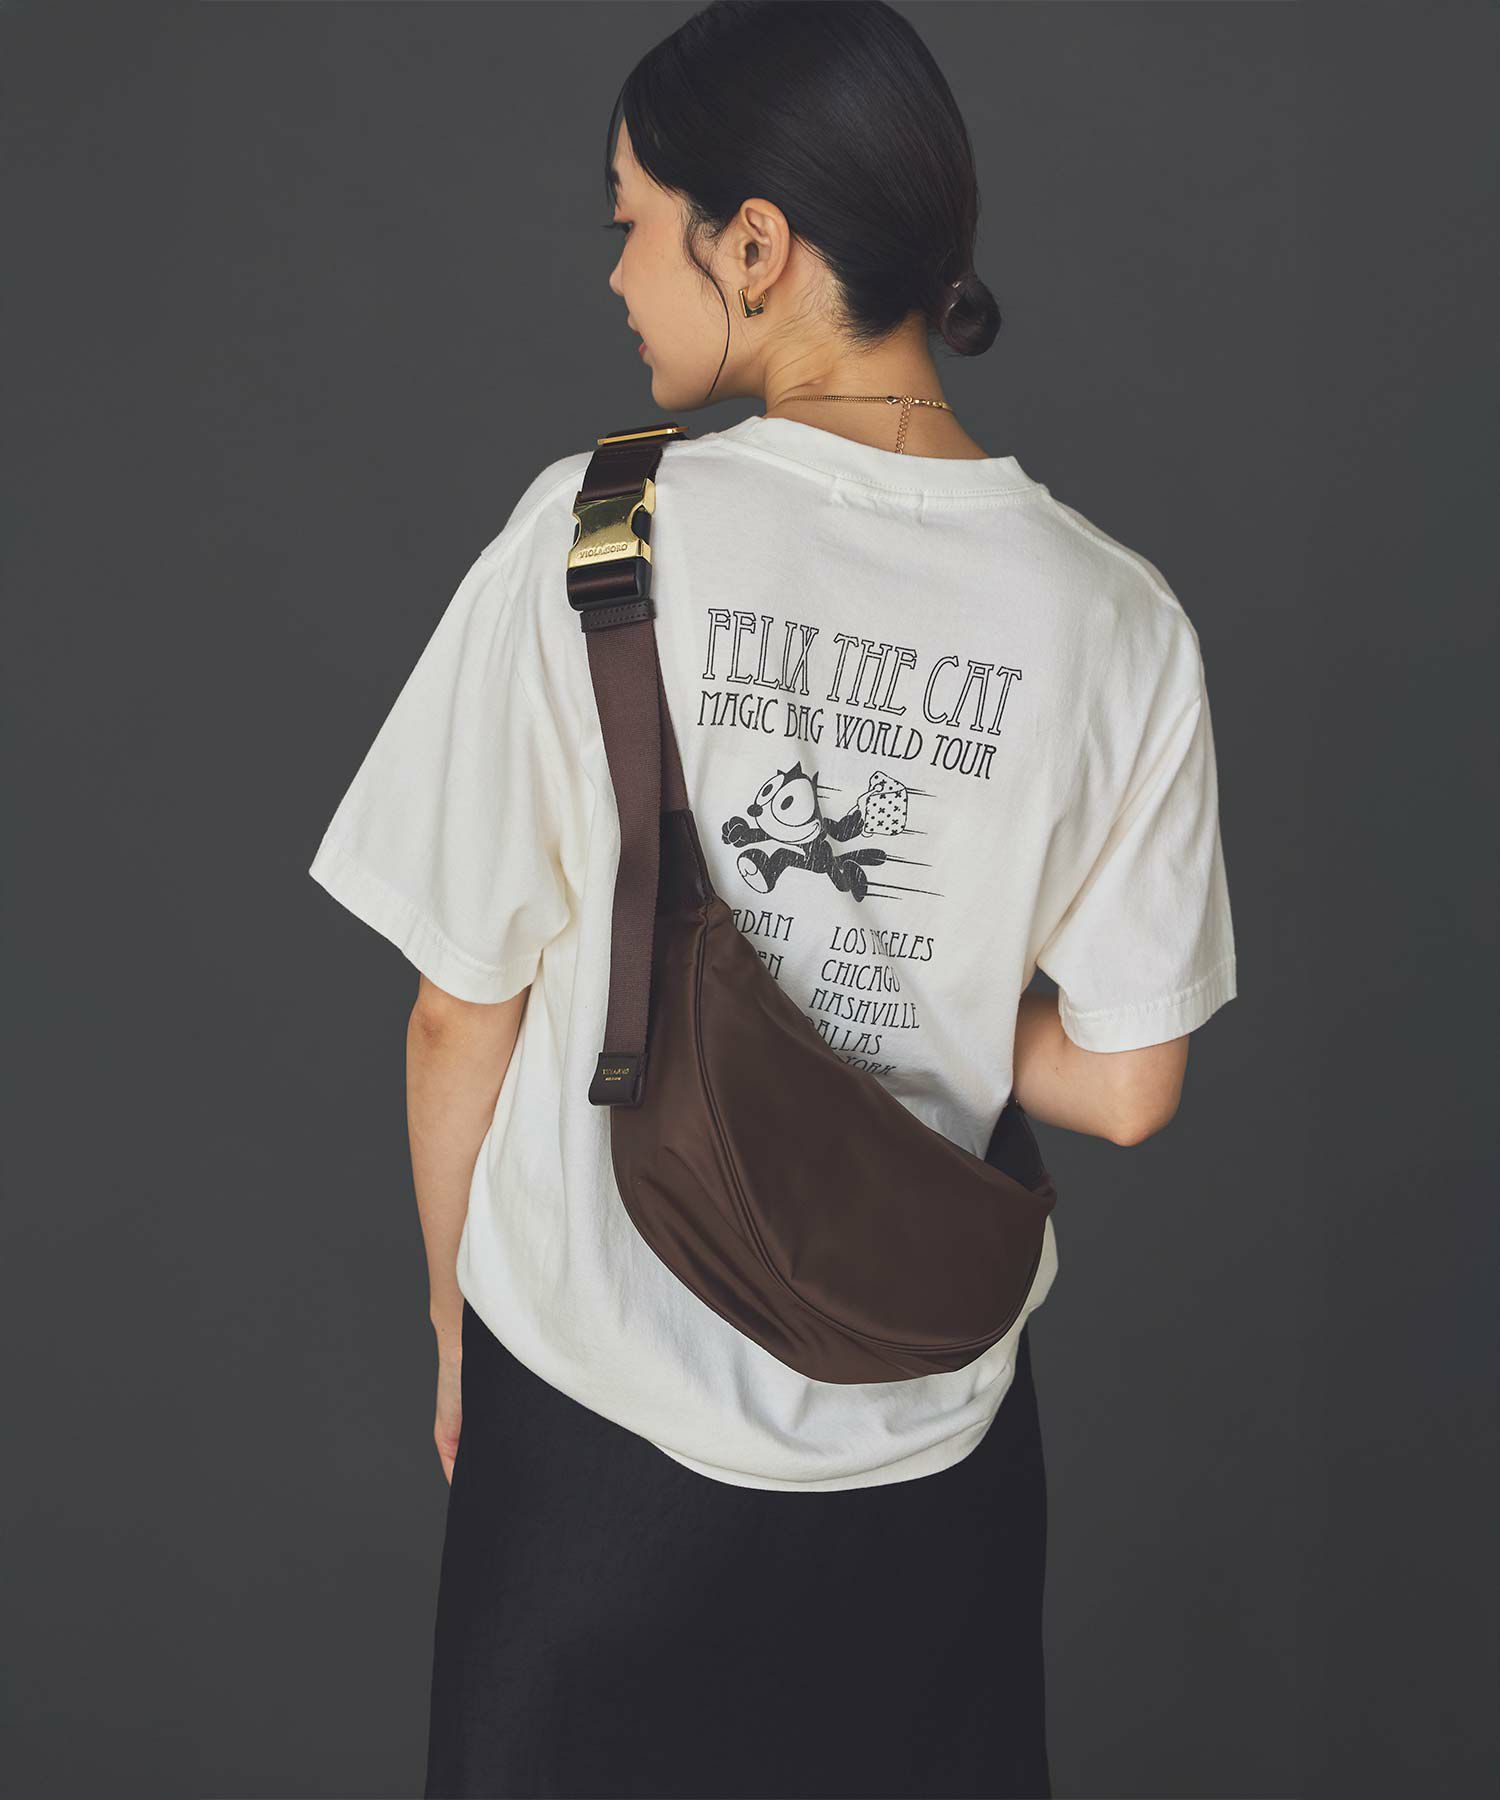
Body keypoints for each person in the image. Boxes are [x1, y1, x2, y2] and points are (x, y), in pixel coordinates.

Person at [308, 4, 1237, 1794]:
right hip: (934, 1462)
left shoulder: (598, 530)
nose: (615, 276)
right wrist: (941, 979)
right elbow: (1131, 1086)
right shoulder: (1119, 619)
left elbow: (456, 1006)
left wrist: (449, 1322)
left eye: (631, 223)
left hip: (594, 1432)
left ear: (755, 244)